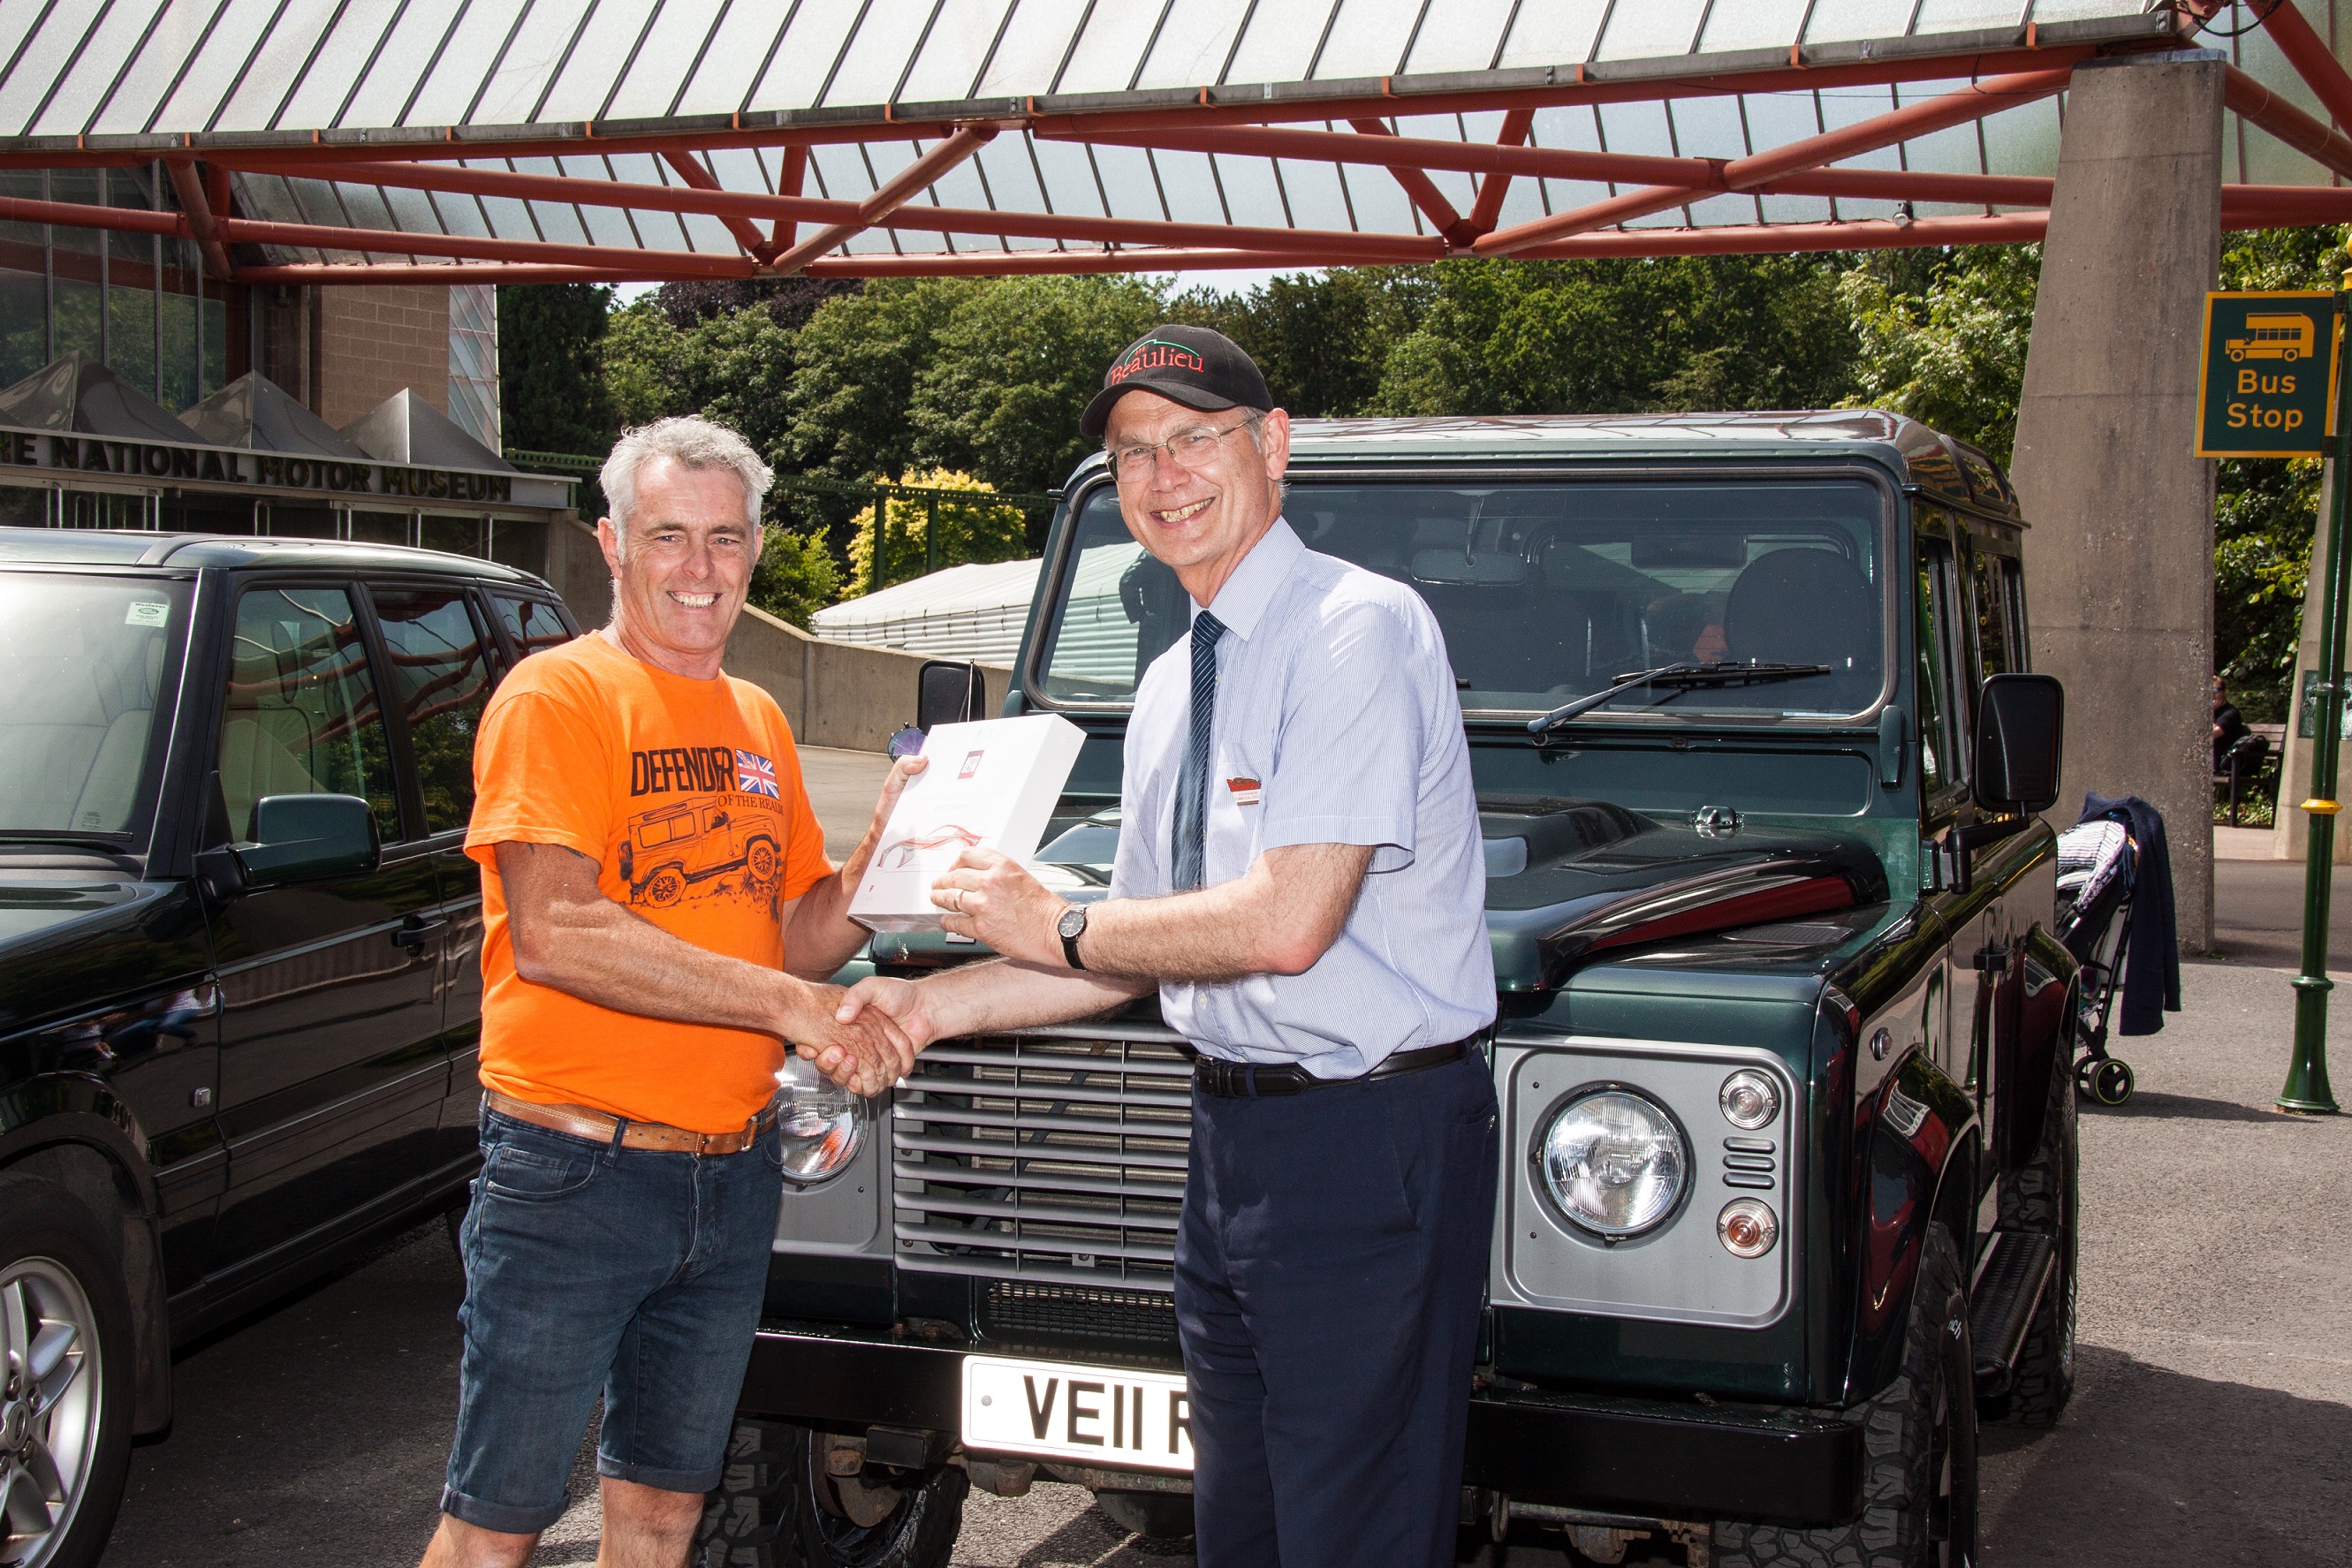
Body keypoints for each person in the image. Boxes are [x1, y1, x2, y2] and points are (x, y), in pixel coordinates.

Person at [835, 326, 1499, 1568]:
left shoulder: (1356, 627)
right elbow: (1134, 953)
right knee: (1238, 1527)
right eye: (1133, 451)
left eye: (1193, 437)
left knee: (1350, 1533)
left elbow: (1287, 917)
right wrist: (924, 1010)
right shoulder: (1166, 686)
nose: (1161, 473)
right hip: (1230, 1148)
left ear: (1273, 443)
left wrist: (1054, 914)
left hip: (1368, 1142)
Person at [419, 416, 920, 1568]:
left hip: (727, 1176)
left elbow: (795, 933)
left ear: (753, 547)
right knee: (495, 1519)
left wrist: (882, 859)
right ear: (612, 542)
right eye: (669, 536)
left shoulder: (757, 720)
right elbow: (555, 929)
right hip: (572, 1172)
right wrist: (790, 1010)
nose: (699, 568)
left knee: (661, 1511)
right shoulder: (560, 698)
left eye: (725, 538)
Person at [2212, 675, 2250, 775]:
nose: (2212, 694)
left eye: (2215, 690)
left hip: (2222, 763)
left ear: (2224, 692)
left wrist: (2210, 713)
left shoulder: (2230, 713)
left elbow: (2212, 734)